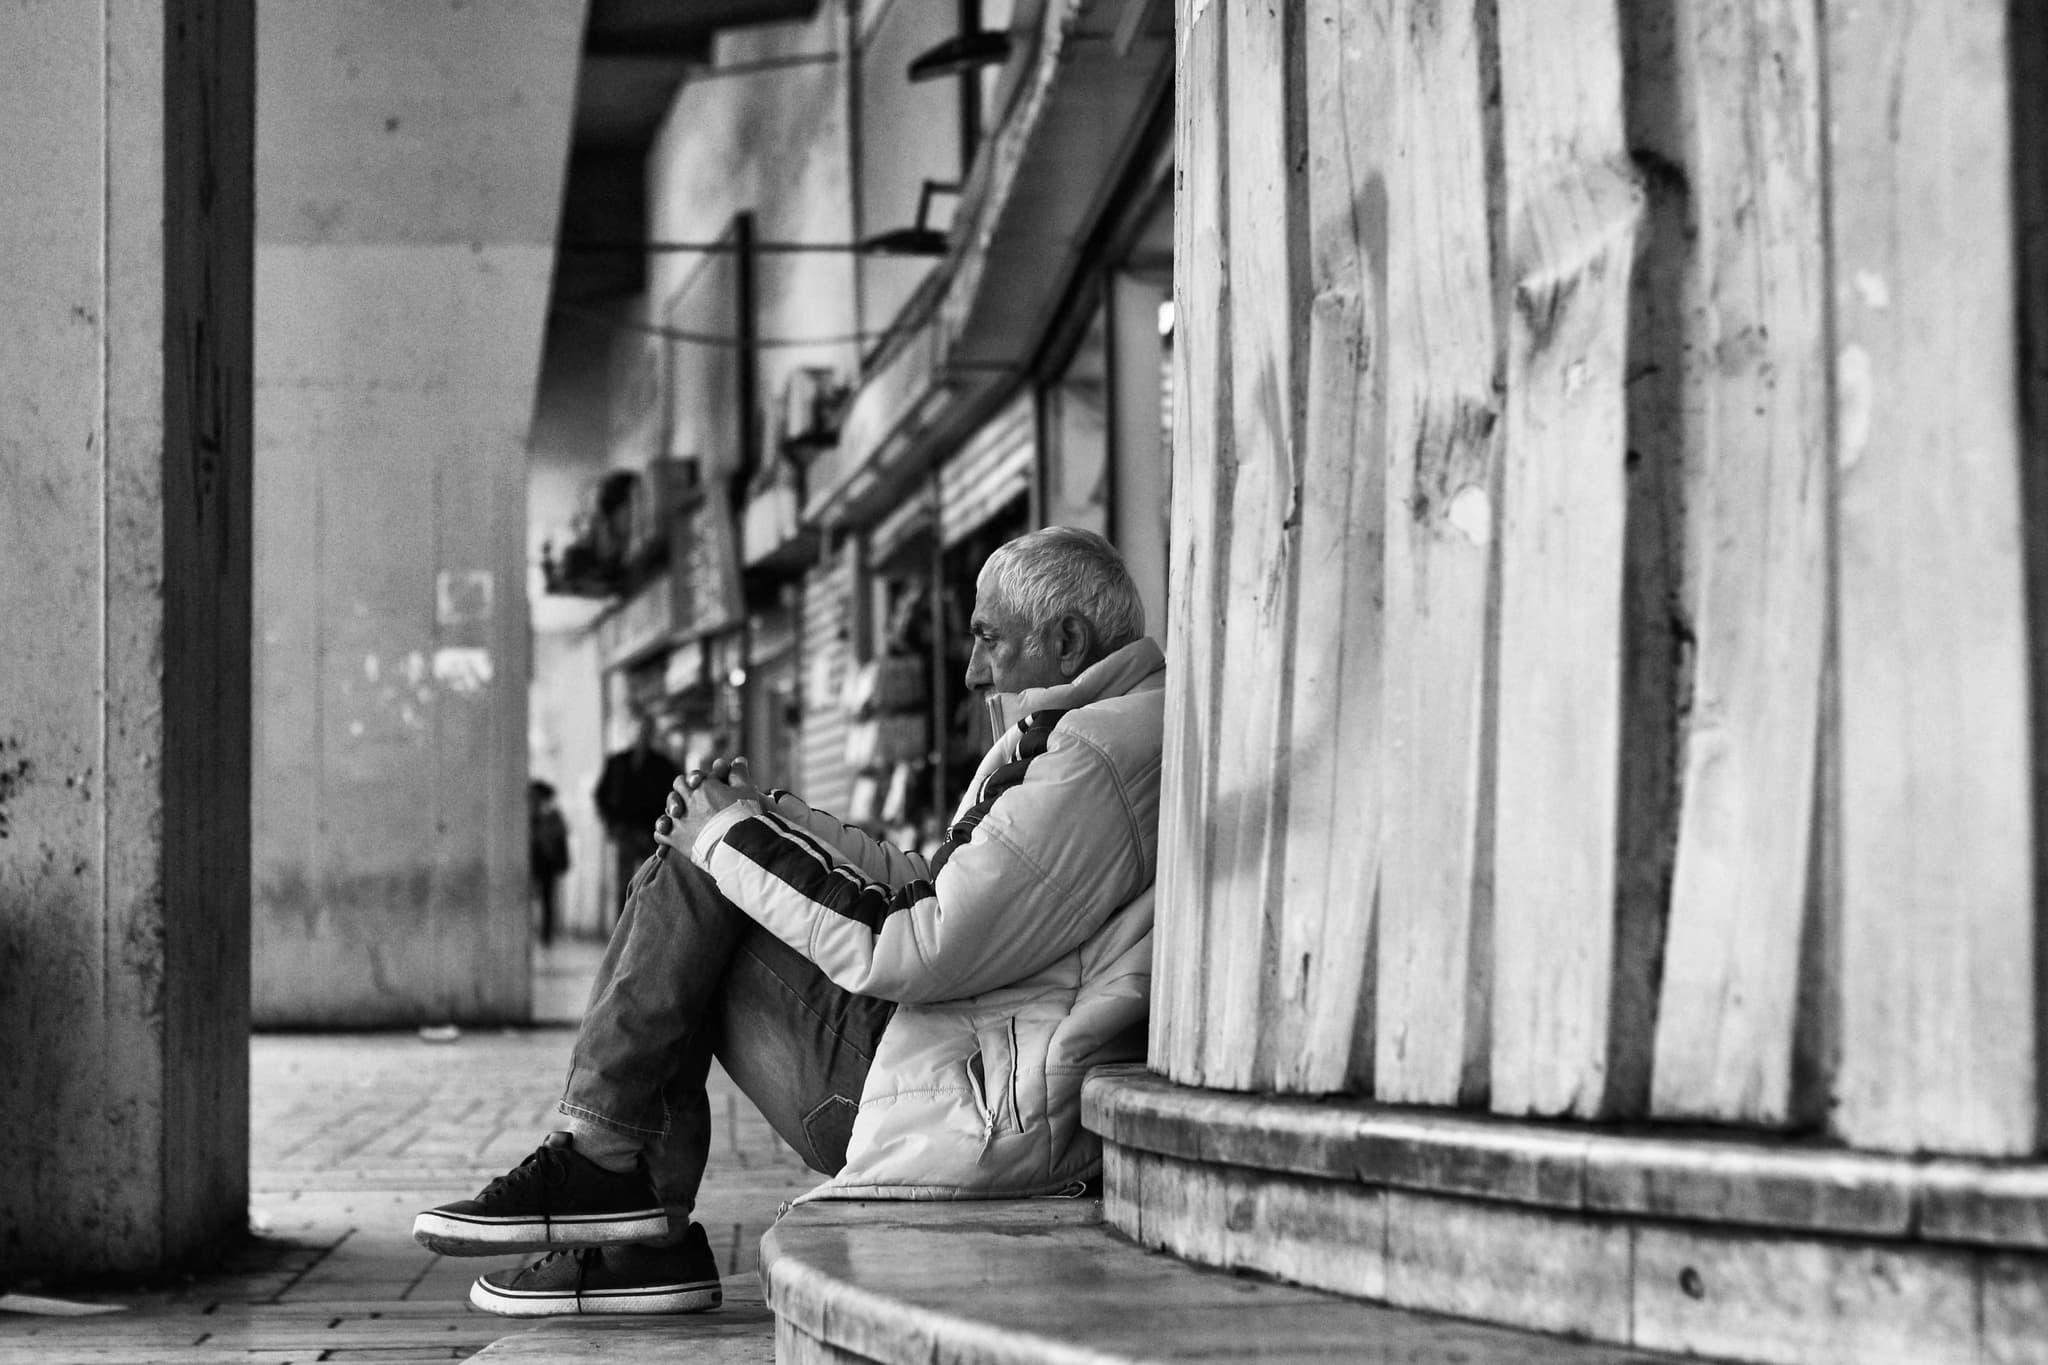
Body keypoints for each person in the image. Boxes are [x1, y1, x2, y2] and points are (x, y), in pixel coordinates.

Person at [411, 527, 1165, 1317]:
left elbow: (919, 941)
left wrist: (728, 839)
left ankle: (615, 1185)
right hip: (969, 1070)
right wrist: (762, 821)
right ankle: (626, 1212)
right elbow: (939, 888)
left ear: (1067, 639)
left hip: (968, 1109)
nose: (973, 669)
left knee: (704, 868)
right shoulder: (1097, 735)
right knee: (705, 858)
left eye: (987, 639)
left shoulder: (1089, 755)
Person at [593, 711, 682, 922]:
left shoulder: (662, 765)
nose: (643, 735)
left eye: (647, 730)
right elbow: (601, 795)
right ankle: (622, 926)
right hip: (625, 831)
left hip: (651, 832)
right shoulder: (618, 762)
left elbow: (672, 797)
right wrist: (611, 823)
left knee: (651, 880)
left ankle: (644, 924)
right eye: (640, 730)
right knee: (624, 883)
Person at [528, 780, 571, 946]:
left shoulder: (552, 816)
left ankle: (546, 935)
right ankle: (536, 933)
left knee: (547, 899)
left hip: (546, 861)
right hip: (533, 861)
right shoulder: (528, 815)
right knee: (534, 898)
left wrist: (562, 861)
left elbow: (560, 838)